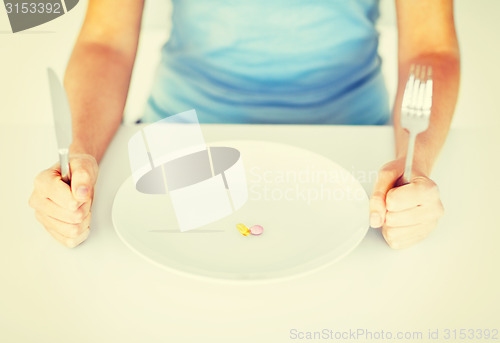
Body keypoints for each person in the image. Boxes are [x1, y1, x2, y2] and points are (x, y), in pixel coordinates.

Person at [28, 0, 460, 249]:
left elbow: (431, 46)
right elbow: (106, 40)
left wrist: (413, 162)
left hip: (358, 151)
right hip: (179, 139)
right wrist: (80, 150)